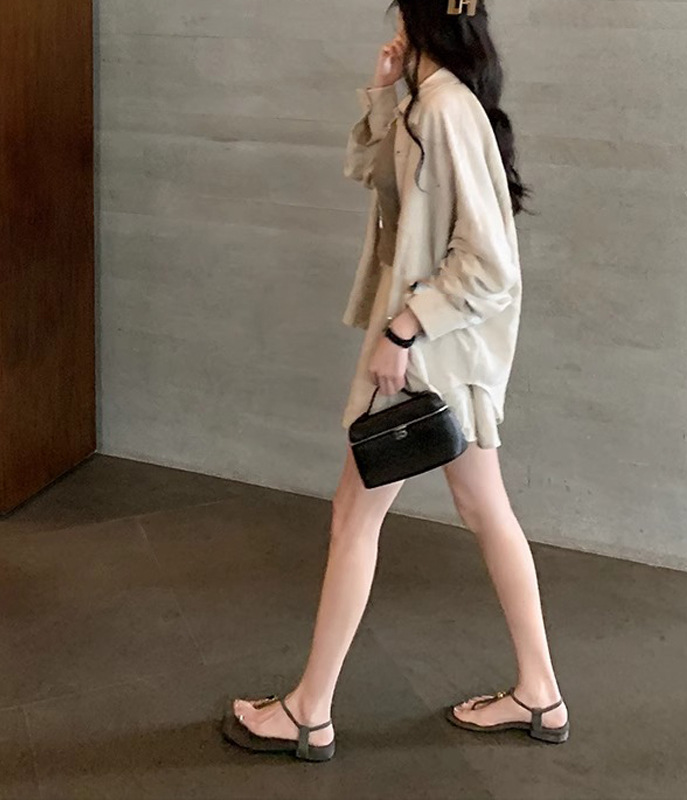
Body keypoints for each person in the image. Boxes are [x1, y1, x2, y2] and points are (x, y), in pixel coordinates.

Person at [220, 0, 569, 763]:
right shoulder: (433, 103)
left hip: (428, 354)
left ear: (421, 21)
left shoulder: (444, 108)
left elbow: (491, 264)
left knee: (355, 515)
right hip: (448, 353)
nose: (396, 29)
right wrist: (383, 95)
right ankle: (540, 691)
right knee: (483, 509)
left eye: (403, 15)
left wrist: (405, 328)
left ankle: (309, 712)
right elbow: (378, 184)